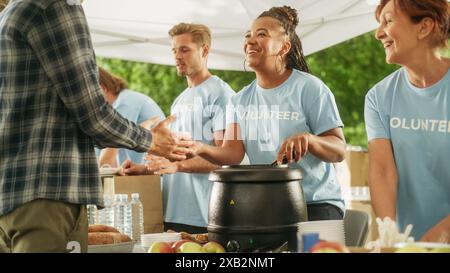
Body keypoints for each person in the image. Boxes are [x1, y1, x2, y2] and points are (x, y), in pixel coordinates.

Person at [0, 0, 190, 253]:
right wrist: (152, 140)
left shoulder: (14, 11)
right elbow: (93, 115)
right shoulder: (55, 7)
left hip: (15, 194)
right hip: (45, 195)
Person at [188, 6, 347, 221]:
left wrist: (309, 140)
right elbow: (232, 154)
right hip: (268, 204)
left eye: (261, 34)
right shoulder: (239, 100)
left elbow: (338, 150)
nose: (250, 41)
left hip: (316, 204)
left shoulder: (310, 88)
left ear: (284, 47)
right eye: (248, 36)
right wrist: (197, 148)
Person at [123, 23, 235, 234]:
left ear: (205, 50)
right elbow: (176, 158)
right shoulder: (179, 101)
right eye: (174, 50)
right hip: (172, 213)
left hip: (205, 215)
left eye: (184, 49)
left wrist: (179, 167)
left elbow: (226, 159)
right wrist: (145, 169)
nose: (177, 56)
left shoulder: (221, 94)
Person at [365, 0, 450, 242]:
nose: (378, 33)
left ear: (424, 27)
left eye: (388, 21)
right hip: (412, 243)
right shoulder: (378, 97)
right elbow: (382, 171)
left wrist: (431, 242)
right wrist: (390, 234)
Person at [96, 67, 165, 168]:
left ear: (102, 88)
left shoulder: (125, 104)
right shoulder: (125, 100)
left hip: (151, 174)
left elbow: (106, 161)